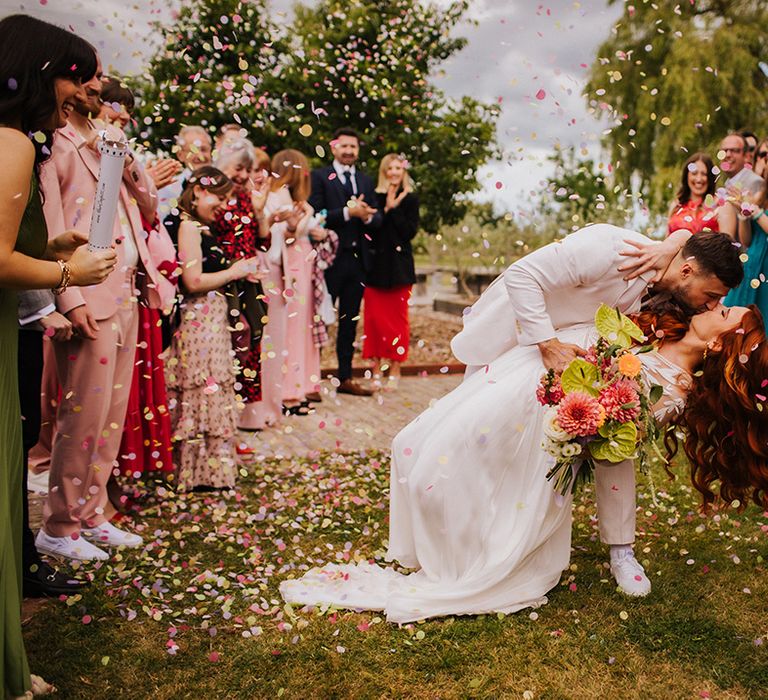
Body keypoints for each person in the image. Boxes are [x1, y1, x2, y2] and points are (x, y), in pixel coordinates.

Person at [281, 301, 768, 623]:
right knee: (423, 446)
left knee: (462, 475)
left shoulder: (675, 390)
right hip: (525, 391)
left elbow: (613, 448)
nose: (712, 306)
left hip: (551, 430)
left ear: (718, 344)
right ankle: (441, 538)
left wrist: (622, 546)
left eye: (723, 311)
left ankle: (467, 552)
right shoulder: (657, 326)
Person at [449, 224, 742, 595]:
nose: (713, 304)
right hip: (520, 337)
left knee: (613, 437)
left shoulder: (671, 284)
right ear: (687, 272)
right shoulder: (610, 249)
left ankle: (620, 551)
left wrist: (675, 240)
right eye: (713, 295)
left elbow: (693, 238)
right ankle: (476, 528)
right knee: (478, 435)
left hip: (575, 358)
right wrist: (546, 343)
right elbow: (523, 275)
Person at [0, 14, 117, 697]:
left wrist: (54, 244)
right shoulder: (14, 142)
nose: (85, 89)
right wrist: (70, 275)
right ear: (44, 69)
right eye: (77, 73)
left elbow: (14, 243)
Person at [34, 52, 171, 563]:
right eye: (90, 84)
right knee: (81, 417)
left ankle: (94, 512)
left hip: (125, 290)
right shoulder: (56, 145)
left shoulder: (106, 141)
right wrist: (67, 298)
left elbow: (148, 206)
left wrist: (123, 155)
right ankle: (60, 523)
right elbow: (51, 227)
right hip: (87, 295)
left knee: (112, 415)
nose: (97, 92)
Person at [165, 167, 262, 491]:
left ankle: (209, 472)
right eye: (219, 198)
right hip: (198, 323)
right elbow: (192, 282)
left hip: (211, 320)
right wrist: (234, 271)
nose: (222, 205)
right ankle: (196, 473)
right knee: (202, 393)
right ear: (197, 193)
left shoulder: (201, 227)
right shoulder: (189, 227)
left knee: (212, 392)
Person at [309, 127, 383, 396]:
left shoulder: (365, 181)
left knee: (348, 321)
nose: (349, 151)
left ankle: (345, 377)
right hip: (328, 261)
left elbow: (377, 219)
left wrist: (366, 217)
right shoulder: (319, 177)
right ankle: (311, 379)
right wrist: (347, 212)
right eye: (344, 146)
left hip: (358, 262)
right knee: (320, 320)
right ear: (334, 147)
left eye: (353, 146)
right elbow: (315, 213)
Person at [211, 140, 271, 433]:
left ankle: (243, 421)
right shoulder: (212, 197)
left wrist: (259, 212)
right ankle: (221, 422)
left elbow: (263, 241)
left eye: (247, 169)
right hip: (222, 283)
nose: (242, 174)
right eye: (238, 167)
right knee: (229, 347)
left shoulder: (248, 197)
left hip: (249, 284)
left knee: (251, 350)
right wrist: (234, 266)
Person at [270, 149, 320, 414]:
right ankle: (287, 391)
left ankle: (299, 386)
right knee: (291, 327)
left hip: (302, 261)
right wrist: (302, 222)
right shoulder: (277, 196)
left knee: (303, 327)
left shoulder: (293, 197)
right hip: (289, 263)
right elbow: (285, 235)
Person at [363, 154, 420, 388]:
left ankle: (395, 368)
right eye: (390, 168)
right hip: (375, 268)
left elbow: (408, 233)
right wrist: (383, 208)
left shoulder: (411, 199)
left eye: (399, 168)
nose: (394, 172)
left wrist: (394, 209)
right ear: (384, 171)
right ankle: (376, 368)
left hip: (399, 269)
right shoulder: (373, 196)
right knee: (373, 321)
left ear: (403, 172)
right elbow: (372, 232)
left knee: (398, 322)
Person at [724, 173, 768, 321]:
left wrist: (757, 214)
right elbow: (746, 241)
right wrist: (743, 214)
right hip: (752, 269)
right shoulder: (761, 196)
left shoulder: (758, 208)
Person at [666, 153, 719, 235]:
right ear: (686, 176)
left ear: (710, 177)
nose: (698, 179)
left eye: (704, 174)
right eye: (694, 173)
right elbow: (666, 240)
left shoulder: (717, 205)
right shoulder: (676, 205)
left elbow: (727, 243)